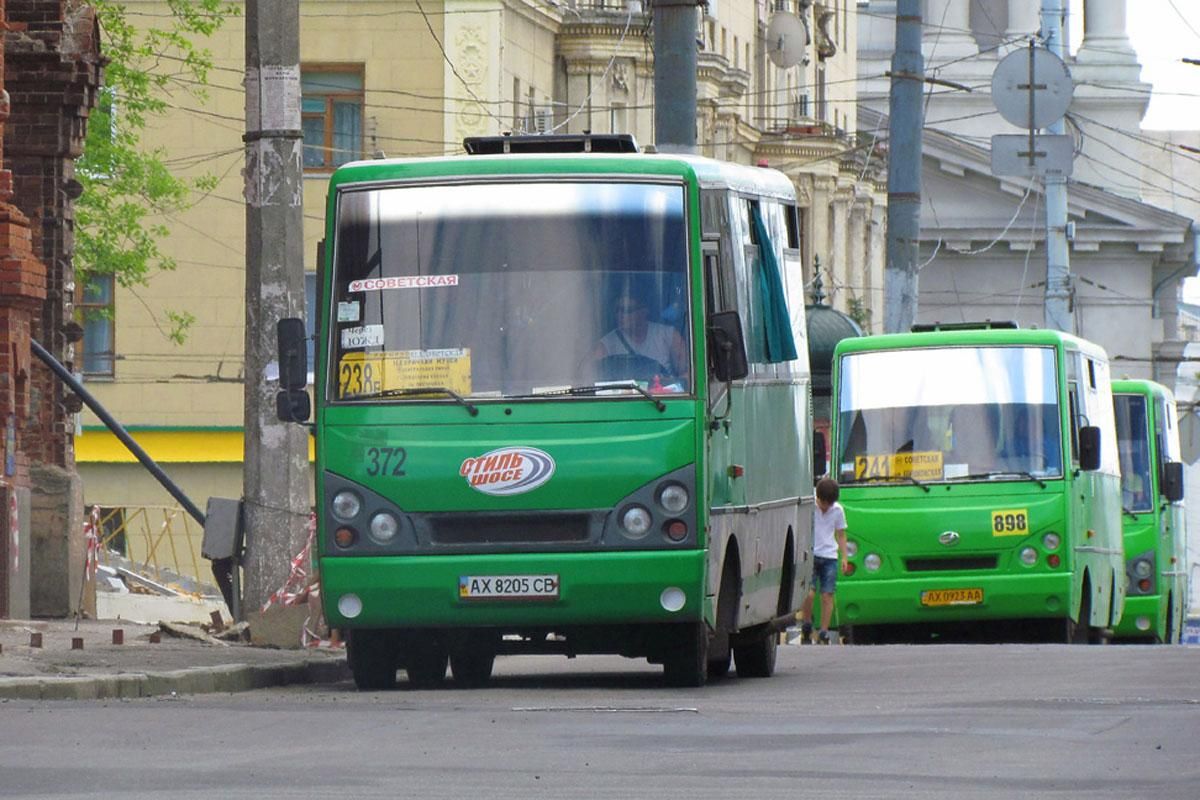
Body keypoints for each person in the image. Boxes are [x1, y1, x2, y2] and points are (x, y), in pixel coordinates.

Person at [593, 291, 688, 383]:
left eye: (627, 310)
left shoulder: (668, 335)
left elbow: (690, 373)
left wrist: (670, 385)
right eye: (617, 310)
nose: (620, 315)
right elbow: (589, 377)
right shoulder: (606, 345)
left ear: (644, 311)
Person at [799, 477, 849, 645]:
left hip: (829, 556)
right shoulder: (809, 504)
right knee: (809, 593)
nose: (825, 507)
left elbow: (841, 534)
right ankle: (806, 624)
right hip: (812, 554)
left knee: (827, 595)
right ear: (817, 497)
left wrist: (844, 557)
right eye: (822, 503)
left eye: (828, 504)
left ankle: (824, 631)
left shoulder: (838, 510)